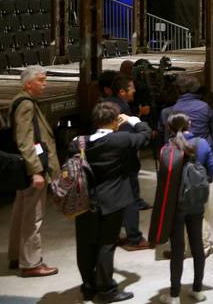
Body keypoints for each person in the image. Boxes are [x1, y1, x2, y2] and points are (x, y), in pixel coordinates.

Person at [74, 102, 151, 303]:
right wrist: (134, 120)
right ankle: (107, 289)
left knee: (85, 246)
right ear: (115, 121)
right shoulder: (121, 139)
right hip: (113, 201)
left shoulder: (78, 142)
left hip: (84, 202)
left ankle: (88, 287)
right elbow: (144, 136)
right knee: (106, 245)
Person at [7, 65, 60, 277]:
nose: (44, 84)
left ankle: (15, 256)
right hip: (33, 169)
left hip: (27, 168)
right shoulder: (26, 105)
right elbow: (25, 140)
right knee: (33, 217)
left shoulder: (24, 101)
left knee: (20, 213)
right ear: (28, 83)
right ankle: (31, 263)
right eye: (40, 80)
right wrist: (36, 171)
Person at [159, 74, 213, 255]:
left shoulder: (171, 110)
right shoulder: (205, 107)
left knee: (176, 209)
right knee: (202, 207)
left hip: (176, 164)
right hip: (200, 161)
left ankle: (179, 247)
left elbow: (164, 141)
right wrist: (212, 163)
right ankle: (203, 245)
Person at [161, 113, 213, 304]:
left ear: (169, 128)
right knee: (197, 246)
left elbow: (163, 178)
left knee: (177, 249)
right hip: (196, 202)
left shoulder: (167, 148)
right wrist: (203, 182)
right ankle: (197, 290)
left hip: (176, 204)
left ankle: (174, 295)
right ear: (189, 124)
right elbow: (212, 168)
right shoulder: (201, 143)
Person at [103, 75, 150, 252]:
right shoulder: (122, 109)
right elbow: (130, 139)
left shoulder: (104, 104)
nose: (135, 91)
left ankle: (114, 235)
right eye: (131, 88)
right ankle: (134, 238)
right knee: (131, 200)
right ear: (122, 92)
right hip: (125, 162)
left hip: (109, 161)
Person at [160, 74, 213, 156]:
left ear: (178, 90)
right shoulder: (205, 107)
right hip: (204, 152)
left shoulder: (167, 112)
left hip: (179, 155)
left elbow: (166, 140)